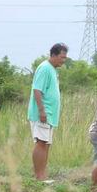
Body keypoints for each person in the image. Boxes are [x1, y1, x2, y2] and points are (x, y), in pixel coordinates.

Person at [27, 43, 68, 182]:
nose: (64, 60)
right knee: (41, 142)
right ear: (54, 55)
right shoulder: (44, 68)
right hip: (42, 114)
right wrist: (41, 111)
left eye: (65, 57)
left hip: (50, 115)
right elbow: (37, 90)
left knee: (46, 144)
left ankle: (43, 176)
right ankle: (38, 177)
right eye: (62, 57)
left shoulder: (53, 70)